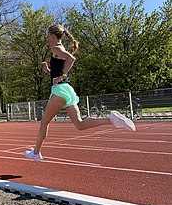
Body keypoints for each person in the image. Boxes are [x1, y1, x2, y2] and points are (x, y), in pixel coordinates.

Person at [24, 24, 136, 161]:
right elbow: (58, 72)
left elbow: (71, 59)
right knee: (80, 124)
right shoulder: (59, 49)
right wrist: (48, 71)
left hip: (59, 90)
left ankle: (36, 153)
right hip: (67, 90)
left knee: (44, 123)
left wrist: (62, 76)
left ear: (53, 36)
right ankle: (111, 120)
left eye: (48, 35)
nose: (47, 38)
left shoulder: (56, 48)